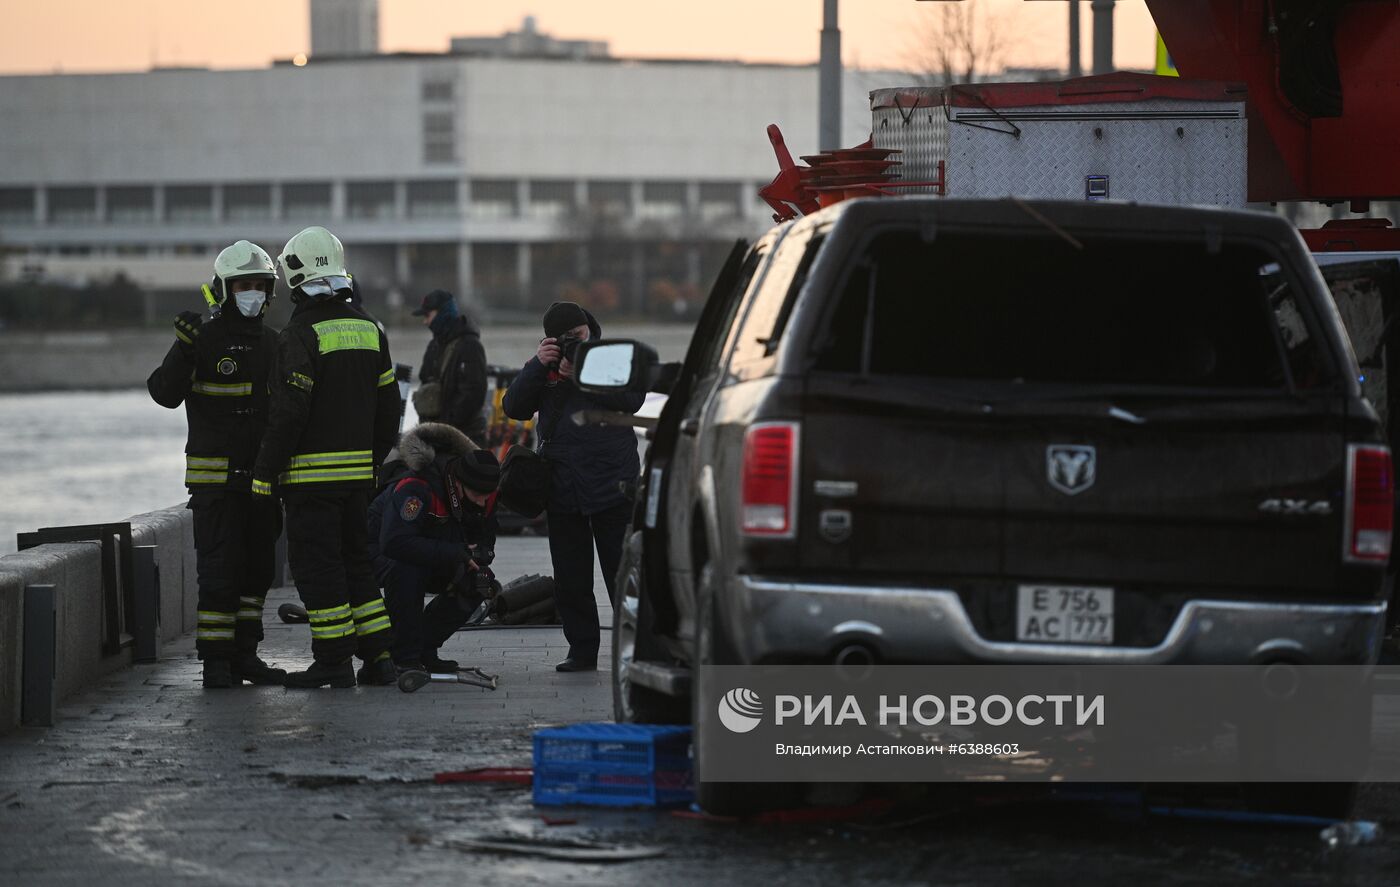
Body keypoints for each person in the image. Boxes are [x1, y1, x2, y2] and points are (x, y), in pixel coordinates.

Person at [252, 226, 402, 688]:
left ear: (294, 274)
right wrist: (372, 461)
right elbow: (390, 407)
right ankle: (379, 658)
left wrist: (264, 472)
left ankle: (334, 662)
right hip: (359, 478)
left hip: (311, 482)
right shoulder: (371, 327)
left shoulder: (299, 333)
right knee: (358, 563)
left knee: (318, 569)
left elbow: (289, 412)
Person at [147, 240, 287, 688]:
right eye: (243, 286)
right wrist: (182, 350)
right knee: (219, 575)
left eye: (260, 286)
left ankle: (247, 655)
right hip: (215, 486)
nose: (253, 294)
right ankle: (217, 664)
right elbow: (164, 394)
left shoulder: (275, 344)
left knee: (257, 574)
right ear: (223, 290)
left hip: (263, 484)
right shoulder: (201, 340)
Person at [502, 301, 644, 672]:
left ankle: (639, 649)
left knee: (623, 573)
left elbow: (633, 400)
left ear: (589, 331)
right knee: (571, 577)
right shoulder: (546, 367)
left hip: (612, 483)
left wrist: (584, 372)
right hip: (563, 486)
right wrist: (537, 365)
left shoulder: (611, 358)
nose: (574, 344)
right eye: (566, 340)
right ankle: (582, 651)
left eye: (578, 337)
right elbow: (514, 406)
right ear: (551, 340)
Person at [368, 422, 501, 672]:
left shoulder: (485, 492)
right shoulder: (418, 488)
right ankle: (404, 655)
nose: (483, 502)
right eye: (477, 496)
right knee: (409, 571)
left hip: (436, 553)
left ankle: (425, 648)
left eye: (488, 496)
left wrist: (480, 555)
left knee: (479, 583)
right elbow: (395, 542)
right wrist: (455, 553)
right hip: (384, 553)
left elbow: (487, 536)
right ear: (459, 484)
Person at [410, 289, 488, 445]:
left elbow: (473, 394)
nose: (425, 322)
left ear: (442, 314)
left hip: (466, 438)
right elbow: (425, 380)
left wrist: (445, 426)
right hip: (438, 438)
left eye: (427, 315)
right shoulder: (434, 346)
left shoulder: (470, 346)